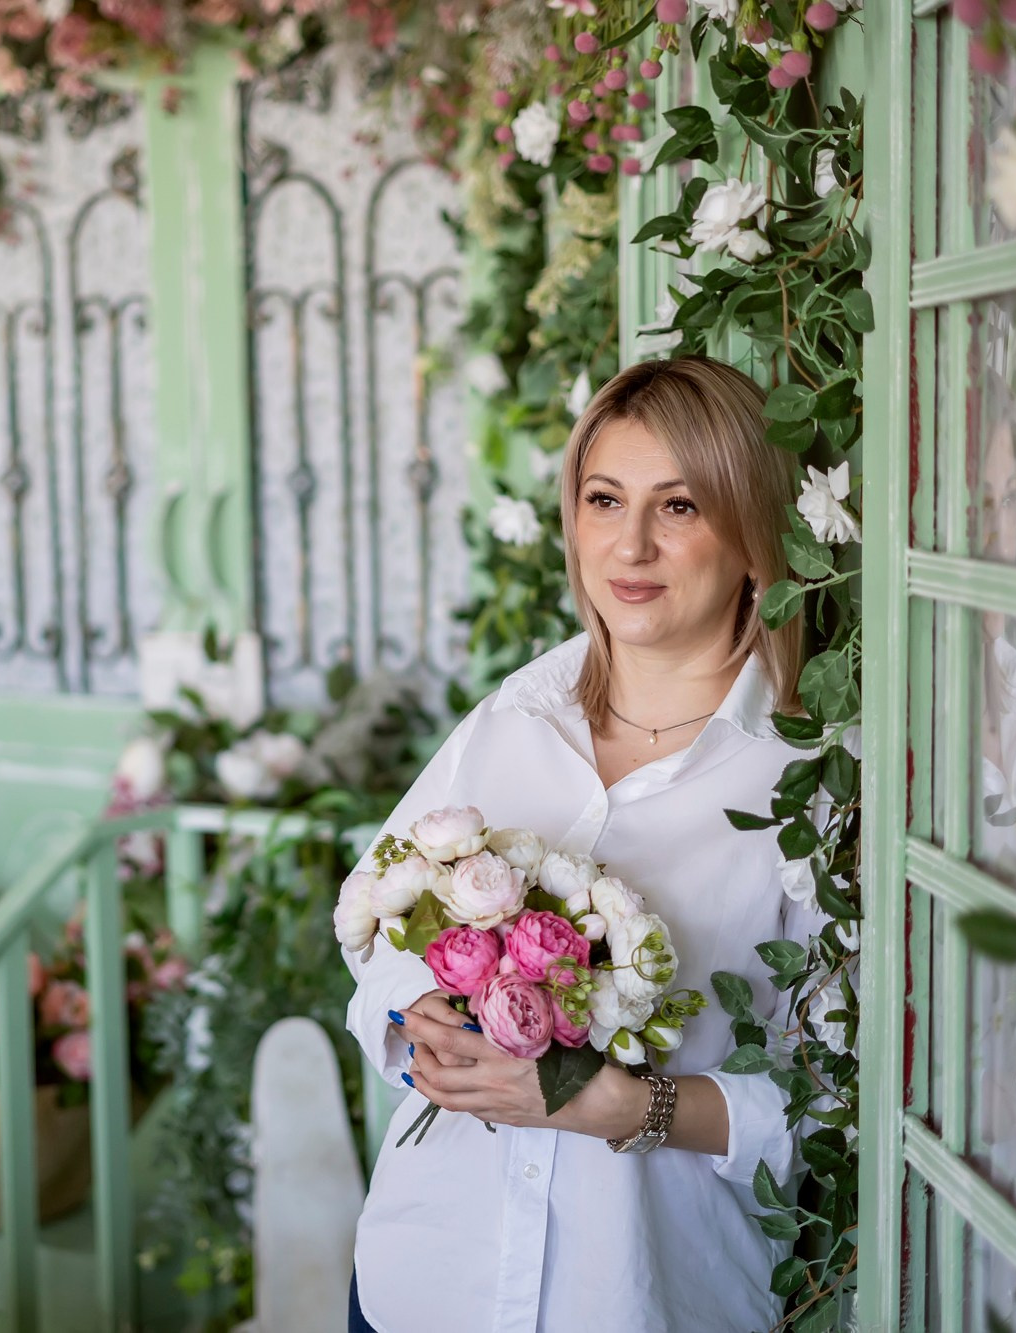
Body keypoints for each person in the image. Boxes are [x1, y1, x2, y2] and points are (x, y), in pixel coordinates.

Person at [341, 356, 830, 1333]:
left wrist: (626, 1105)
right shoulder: (508, 724)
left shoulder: (807, 776)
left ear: (752, 530)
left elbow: (835, 1109)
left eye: (680, 506)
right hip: (421, 1282)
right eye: (603, 498)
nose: (630, 544)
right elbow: (371, 945)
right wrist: (419, 1029)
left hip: (638, 1299)